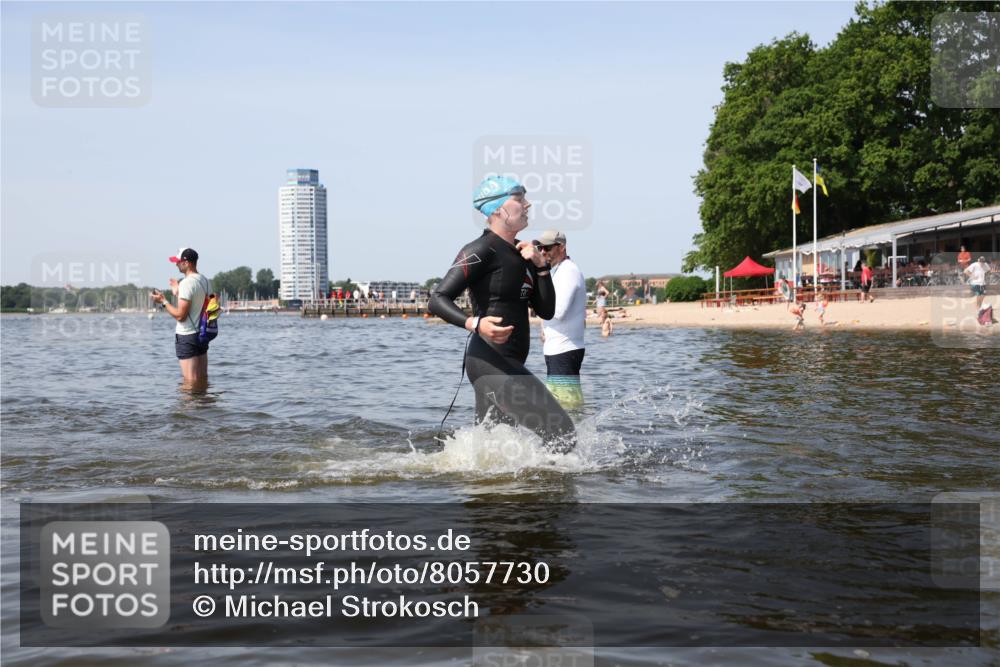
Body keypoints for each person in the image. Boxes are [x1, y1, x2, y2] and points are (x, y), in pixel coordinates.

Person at [429, 176, 576, 452]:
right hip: (488, 361)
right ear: (497, 209)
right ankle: (554, 492)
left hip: (508, 363)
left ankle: (493, 493)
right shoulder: (481, 250)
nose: (527, 204)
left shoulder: (525, 254)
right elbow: (437, 299)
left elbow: (546, 310)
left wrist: (541, 267)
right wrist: (475, 323)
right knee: (562, 432)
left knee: (496, 449)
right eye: (519, 200)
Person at [535, 230, 587, 410]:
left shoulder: (568, 271)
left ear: (561, 247)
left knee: (567, 407)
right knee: (560, 406)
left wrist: (532, 302)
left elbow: (557, 311)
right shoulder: (558, 272)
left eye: (547, 247)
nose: (542, 252)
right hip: (557, 349)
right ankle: (576, 436)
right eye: (540, 247)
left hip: (565, 349)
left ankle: (578, 437)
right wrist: (543, 327)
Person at [151, 247, 211, 386]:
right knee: (202, 379)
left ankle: (187, 408)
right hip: (202, 334)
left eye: (178, 261)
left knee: (189, 382)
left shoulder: (187, 283)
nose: (176, 264)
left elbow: (180, 316)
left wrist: (163, 302)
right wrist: (178, 292)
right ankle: (204, 407)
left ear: (187, 263)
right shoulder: (205, 280)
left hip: (187, 336)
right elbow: (199, 303)